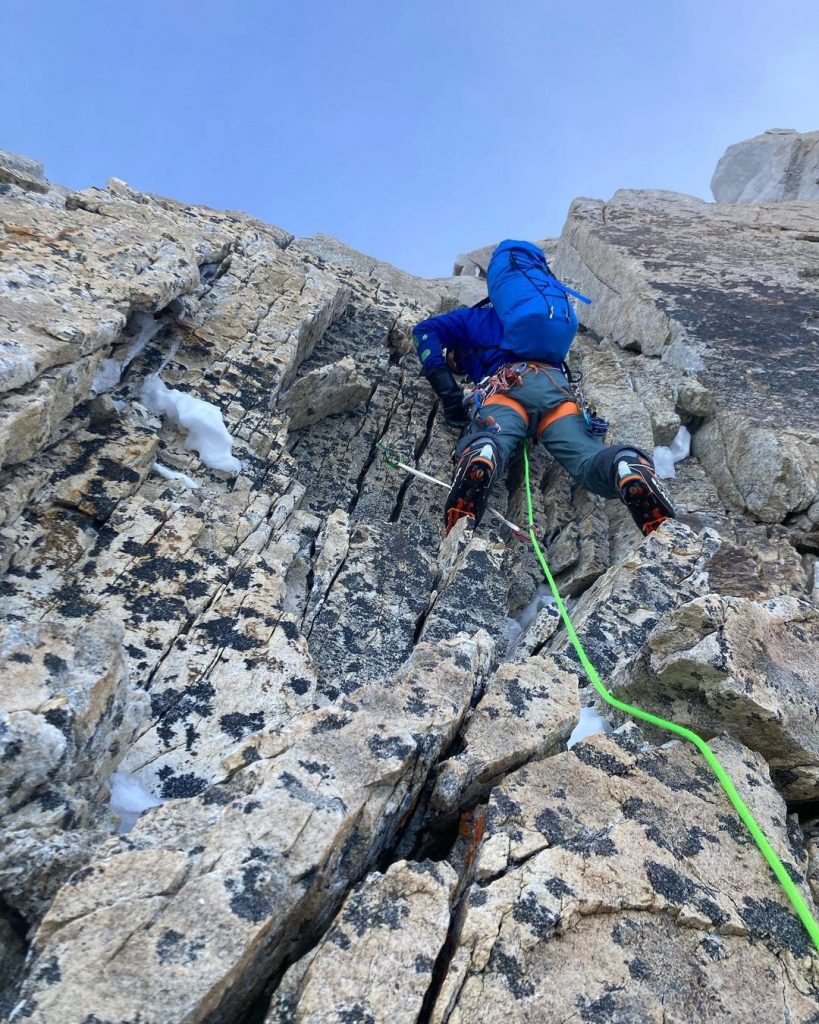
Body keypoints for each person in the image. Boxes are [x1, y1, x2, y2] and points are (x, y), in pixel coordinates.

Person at [412, 300, 676, 536]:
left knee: (494, 438)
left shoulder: (469, 319)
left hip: (504, 388)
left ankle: (484, 452)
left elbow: (423, 330)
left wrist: (448, 391)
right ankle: (626, 466)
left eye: (455, 361)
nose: (459, 368)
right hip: (554, 390)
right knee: (588, 460)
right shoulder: (542, 324)